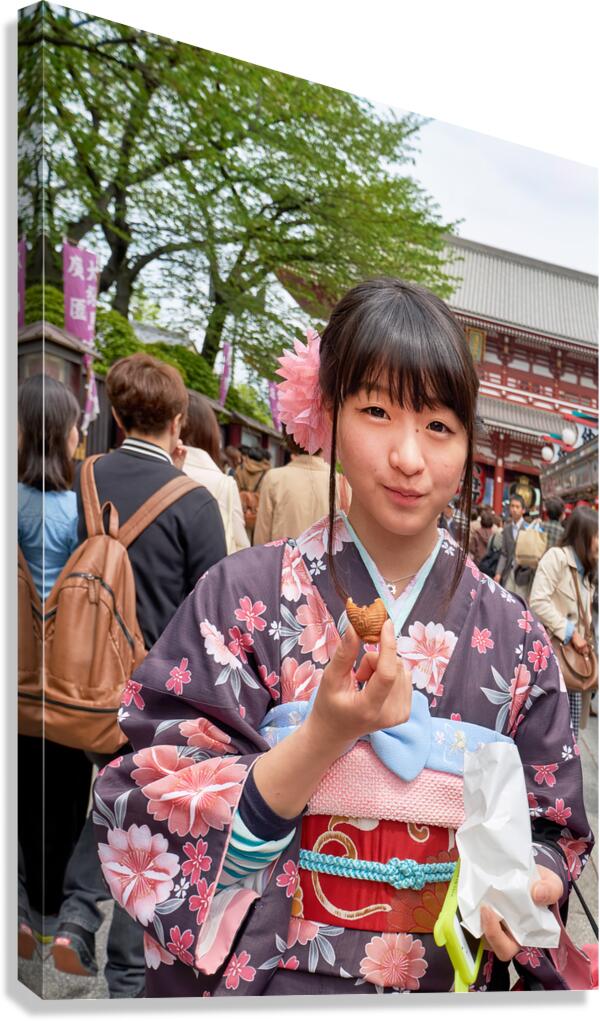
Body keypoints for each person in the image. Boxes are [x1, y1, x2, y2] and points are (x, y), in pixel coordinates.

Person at [92, 278, 591, 996]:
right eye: (378, 411)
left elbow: (555, 821)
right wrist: (321, 737)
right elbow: (146, 794)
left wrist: (528, 879)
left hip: (442, 982)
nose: (409, 456)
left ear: (470, 445)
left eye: (439, 426)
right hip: (274, 978)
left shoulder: (514, 637)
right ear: (328, 412)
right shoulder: (241, 597)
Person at [52, 353, 228, 997]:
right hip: (157, 685)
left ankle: (73, 915)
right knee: (144, 814)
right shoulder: (195, 503)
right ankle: (127, 972)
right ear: (178, 421)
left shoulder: (82, 476)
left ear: (118, 413)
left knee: (104, 789)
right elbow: (215, 610)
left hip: (78, 668)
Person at [17, 375, 93, 959]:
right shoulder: (76, 510)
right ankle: (52, 914)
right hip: (66, 677)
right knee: (66, 792)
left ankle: (15, 908)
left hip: (13, 668)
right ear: (64, 436)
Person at [529, 506, 598, 739]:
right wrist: (571, 633)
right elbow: (538, 600)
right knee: (549, 729)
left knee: (569, 734)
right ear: (583, 535)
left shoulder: (587, 572)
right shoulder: (557, 557)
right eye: (597, 535)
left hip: (574, 663)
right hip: (553, 657)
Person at [180, 392, 249, 554]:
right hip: (207, 574)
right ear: (210, 432)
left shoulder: (155, 470)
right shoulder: (223, 483)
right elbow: (241, 547)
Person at [253, 428, 349, 544]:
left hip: (282, 559)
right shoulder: (342, 483)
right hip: (327, 561)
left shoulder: (274, 478)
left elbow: (262, 537)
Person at [493, 493, 531, 599]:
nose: (514, 509)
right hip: (508, 572)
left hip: (523, 575)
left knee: (519, 606)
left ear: (523, 510)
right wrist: (498, 573)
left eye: (517, 507)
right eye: (512, 506)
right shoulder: (507, 528)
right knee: (506, 601)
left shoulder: (529, 529)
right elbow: (504, 553)